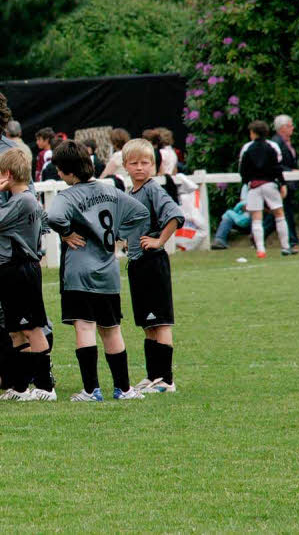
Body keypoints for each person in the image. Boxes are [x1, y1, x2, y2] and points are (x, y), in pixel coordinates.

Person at [46, 140, 149, 402]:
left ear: (69, 170)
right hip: (108, 271)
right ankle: (124, 389)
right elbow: (140, 213)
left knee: (85, 328)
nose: (58, 174)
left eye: (59, 169)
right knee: (112, 329)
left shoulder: (67, 196)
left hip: (79, 272)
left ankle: (91, 390)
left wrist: (67, 233)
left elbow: (53, 217)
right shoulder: (111, 192)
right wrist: (118, 235)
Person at [0, 149, 55, 402]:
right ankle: (20, 386)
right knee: (15, 330)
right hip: (10, 269)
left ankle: (46, 386)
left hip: (21, 268)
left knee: (33, 328)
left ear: (9, 175)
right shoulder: (20, 199)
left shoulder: (22, 200)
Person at [123, 138, 184, 394]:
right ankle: (153, 376)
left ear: (154, 165)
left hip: (153, 262)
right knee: (147, 324)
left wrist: (159, 240)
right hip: (137, 263)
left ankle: (166, 380)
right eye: (134, 163)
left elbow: (175, 214)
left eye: (145, 162)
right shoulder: (131, 193)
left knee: (160, 322)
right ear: (125, 165)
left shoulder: (153, 189)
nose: (140, 167)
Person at [239, 120, 294, 258]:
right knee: (279, 215)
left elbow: (242, 170)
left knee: (256, 218)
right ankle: (286, 247)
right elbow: (277, 167)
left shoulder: (247, 148)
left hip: (254, 186)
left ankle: (261, 249)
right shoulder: (272, 147)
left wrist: (247, 183)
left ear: (253, 133)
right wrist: (282, 184)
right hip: (270, 184)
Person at [269, 114, 299, 249]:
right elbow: (273, 163)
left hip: (289, 181)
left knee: (279, 212)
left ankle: (258, 234)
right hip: (280, 182)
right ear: (282, 128)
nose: (292, 128)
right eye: (289, 125)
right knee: (285, 211)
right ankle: (293, 241)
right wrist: (290, 171)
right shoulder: (275, 143)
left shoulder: (287, 143)